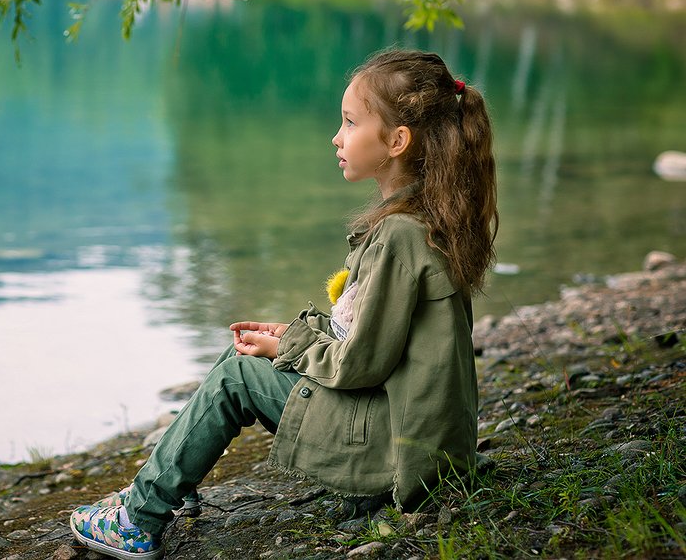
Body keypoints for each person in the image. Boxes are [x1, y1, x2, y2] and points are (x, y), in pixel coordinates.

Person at [69, 49, 498, 559]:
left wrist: (289, 348)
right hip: (425, 447)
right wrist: (289, 338)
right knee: (250, 358)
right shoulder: (430, 217)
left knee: (237, 376)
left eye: (350, 123)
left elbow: (360, 364)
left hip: (404, 458)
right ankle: (154, 490)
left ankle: (139, 518)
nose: (337, 138)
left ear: (397, 141)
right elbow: (374, 342)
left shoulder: (400, 236)